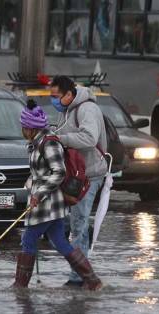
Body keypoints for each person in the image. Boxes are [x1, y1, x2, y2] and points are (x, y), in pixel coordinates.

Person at [12, 99, 103, 291]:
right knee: (60, 241)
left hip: (47, 203)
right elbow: (41, 172)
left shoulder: (49, 143)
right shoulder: (36, 143)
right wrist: (31, 184)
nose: (21, 130)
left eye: (23, 126)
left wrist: (39, 193)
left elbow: (59, 172)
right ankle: (93, 281)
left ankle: (20, 287)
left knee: (28, 239)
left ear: (30, 127)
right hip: (46, 202)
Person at [49, 75, 108, 287]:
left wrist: (60, 139)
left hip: (90, 175)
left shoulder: (87, 109)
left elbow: (89, 138)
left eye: (56, 96)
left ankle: (79, 278)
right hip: (73, 175)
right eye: (51, 96)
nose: (53, 100)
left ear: (69, 94)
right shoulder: (65, 110)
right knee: (60, 220)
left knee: (78, 224)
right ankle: (83, 239)